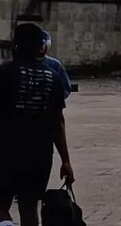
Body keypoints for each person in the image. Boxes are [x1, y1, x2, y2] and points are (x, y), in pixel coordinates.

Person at [0, 22, 73, 226]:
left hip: (6, 150)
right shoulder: (54, 77)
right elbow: (58, 122)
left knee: (1, 205)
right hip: (40, 154)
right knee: (29, 206)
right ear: (40, 46)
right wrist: (66, 161)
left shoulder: (4, 73)